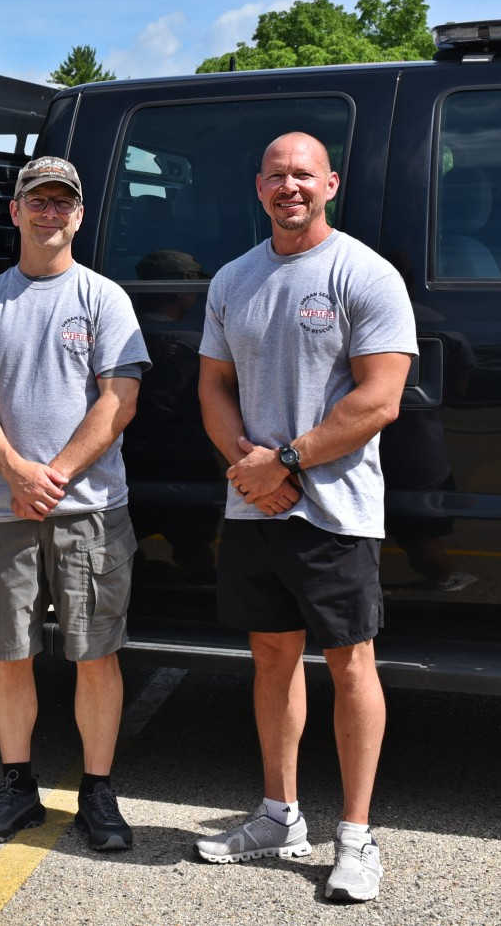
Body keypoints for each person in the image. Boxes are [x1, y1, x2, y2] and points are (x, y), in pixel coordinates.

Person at [191, 131, 415, 903]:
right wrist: (249, 472)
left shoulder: (364, 273)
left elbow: (379, 398)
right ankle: (279, 814)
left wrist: (283, 462)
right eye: (277, 176)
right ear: (260, 188)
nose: (291, 187)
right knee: (271, 656)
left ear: (332, 184)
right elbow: (213, 387)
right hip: (255, 506)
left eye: (304, 175)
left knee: (351, 663)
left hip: (336, 509)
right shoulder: (234, 279)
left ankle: (356, 836)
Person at [0, 156, 149, 851]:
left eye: (63, 202)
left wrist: (53, 475)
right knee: (10, 653)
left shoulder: (103, 299)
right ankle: (16, 789)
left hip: (89, 507)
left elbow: (119, 399)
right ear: (16, 212)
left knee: (96, 653)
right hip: (6, 511)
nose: (49, 213)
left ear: (80, 215)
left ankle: (97, 792)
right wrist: (14, 472)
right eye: (37, 200)